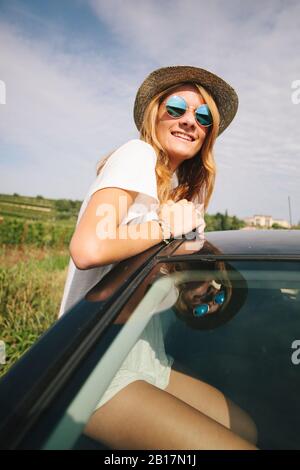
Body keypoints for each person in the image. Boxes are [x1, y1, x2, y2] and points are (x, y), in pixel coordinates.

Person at [59, 65, 258, 449]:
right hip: (95, 360)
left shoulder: (178, 188)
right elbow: (88, 249)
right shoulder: (137, 155)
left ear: (208, 135)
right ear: (154, 113)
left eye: (202, 117)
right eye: (177, 108)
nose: (189, 121)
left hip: (147, 350)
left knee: (246, 427)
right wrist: (167, 228)